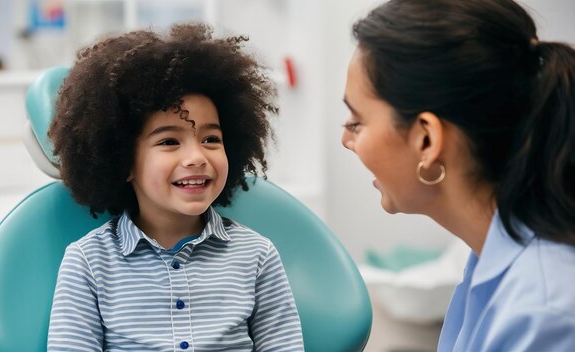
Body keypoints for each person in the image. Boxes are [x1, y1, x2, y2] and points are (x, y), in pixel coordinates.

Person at [46, 24, 304, 351]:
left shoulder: (257, 255)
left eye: (211, 139)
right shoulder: (88, 261)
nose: (197, 156)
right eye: (169, 141)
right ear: (123, 160)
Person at [341, 0, 575, 350]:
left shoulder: (544, 313)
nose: (346, 139)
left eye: (357, 122)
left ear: (426, 139)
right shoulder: (489, 257)